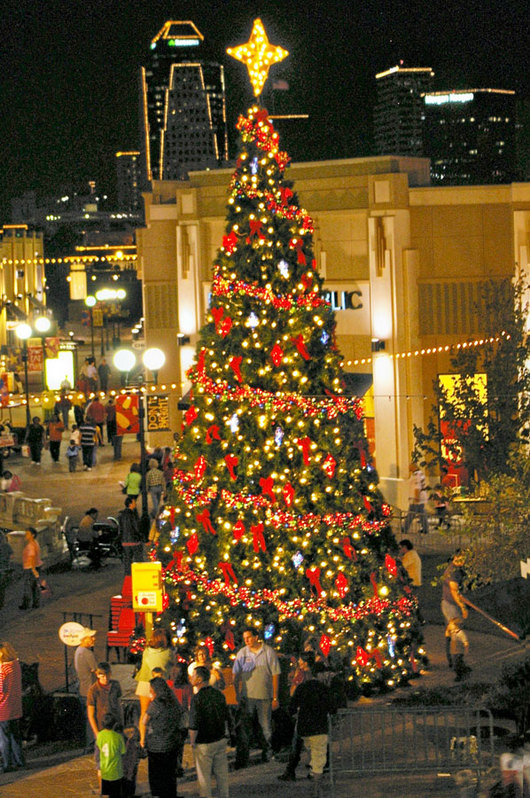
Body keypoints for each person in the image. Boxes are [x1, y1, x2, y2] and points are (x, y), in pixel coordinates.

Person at [232, 627, 281, 768]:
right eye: (244, 638)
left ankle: (268, 752)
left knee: (265, 726)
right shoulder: (242, 653)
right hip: (247, 697)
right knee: (244, 727)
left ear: (256, 637)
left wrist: (275, 697)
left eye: (249, 637)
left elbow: (275, 674)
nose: (246, 640)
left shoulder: (268, 652)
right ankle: (243, 758)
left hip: (264, 696)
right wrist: (237, 693)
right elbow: (236, 674)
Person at [288, 651, 332, 795]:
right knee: (318, 759)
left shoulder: (301, 688)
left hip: (304, 729)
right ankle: (316, 789)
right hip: (319, 728)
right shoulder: (323, 689)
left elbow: (291, 707)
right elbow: (333, 707)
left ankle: (314, 777)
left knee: (313, 754)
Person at [189, 665, 230, 798]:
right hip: (219, 738)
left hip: (204, 741)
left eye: (194, 676)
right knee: (222, 774)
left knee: (204, 778)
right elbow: (226, 716)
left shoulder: (197, 698)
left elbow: (194, 723)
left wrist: (192, 742)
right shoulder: (218, 694)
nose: (191, 678)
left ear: (199, 679)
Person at [139, 676, 183, 798]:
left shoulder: (156, 704)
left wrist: (144, 736)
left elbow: (144, 721)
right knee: (170, 776)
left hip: (156, 747)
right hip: (172, 744)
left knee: (157, 776)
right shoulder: (173, 702)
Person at [134, 628, 174, 717]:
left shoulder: (146, 651)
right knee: (162, 713)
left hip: (144, 683)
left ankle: (143, 731)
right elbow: (172, 667)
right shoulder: (169, 653)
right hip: (160, 685)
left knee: (144, 713)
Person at [0, 641, 25, 773]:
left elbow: (0, 690)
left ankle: (7, 764)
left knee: (4, 737)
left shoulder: (3, 669)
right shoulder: (16, 665)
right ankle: (19, 761)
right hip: (15, 706)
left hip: (3, 708)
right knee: (15, 736)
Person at [441, 551, 468, 667]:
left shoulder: (454, 569)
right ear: (455, 557)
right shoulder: (454, 572)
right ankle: (456, 662)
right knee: (455, 633)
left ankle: (453, 661)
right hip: (451, 605)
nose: (463, 562)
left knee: (451, 632)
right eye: (461, 559)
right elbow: (454, 590)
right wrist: (463, 607)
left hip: (449, 604)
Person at [87, 662, 123, 742]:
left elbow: (119, 706)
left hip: (115, 725)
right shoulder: (93, 690)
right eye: (102, 676)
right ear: (97, 675)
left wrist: (121, 722)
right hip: (101, 728)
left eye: (107, 675)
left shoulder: (116, 685)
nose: (105, 678)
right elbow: (91, 714)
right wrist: (96, 733)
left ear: (110, 673)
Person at [74, 628, 97, 750]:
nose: (93, 639)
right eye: (91, 637)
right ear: (84, 639)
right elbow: (96, 671)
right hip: (89, 689)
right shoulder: (88, 653)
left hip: (82, 689)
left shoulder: (78, 651)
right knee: (92, 717)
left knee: (88, 717)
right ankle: (92, 742)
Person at [96, 712, 126, 798]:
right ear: (114, 724)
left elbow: (98, 749)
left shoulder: (99, 735)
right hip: (116, 771)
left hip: (105, 770)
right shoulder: (118, 737)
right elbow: (123, 752)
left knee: (108, 793)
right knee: (116, 794)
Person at [19, 527, 42, 610]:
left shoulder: (30, 546)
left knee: (28, 587)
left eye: (28, 534)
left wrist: (33, 570)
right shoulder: (35, 543)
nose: (26, 535)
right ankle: (36, 603)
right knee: (35, 587)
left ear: (33, 535)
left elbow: (31, 558)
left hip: (30, 568)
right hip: (36, 566)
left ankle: (26, 604)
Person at [119, 496, 143, 576]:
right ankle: (139, 574)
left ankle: (128, 575)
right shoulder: (132, 514)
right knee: (138, 559)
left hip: (125, 541)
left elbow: (120, 528)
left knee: (127, 560)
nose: (135, 504)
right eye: (134, 502)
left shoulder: (121, 515)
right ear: (130, 504)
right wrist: (141, 536)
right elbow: (136, 527)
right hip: (134, 540)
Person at [403, 462, 429, 535]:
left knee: (411, 513)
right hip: (420, 497)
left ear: (413, 467)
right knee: (422, 514)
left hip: (417, 498)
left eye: (410, 466)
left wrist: (416, 497)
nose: (408, 468)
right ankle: (425, 528)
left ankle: (405, 528)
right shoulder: (420, 473)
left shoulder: (416, 475)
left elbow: (417, 487)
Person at [446, 617, 471, 681]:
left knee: (456, 664)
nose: (450, 626)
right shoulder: (453, 632)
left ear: (457, 625)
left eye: (452, 624)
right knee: (459, 662)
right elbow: (448, 633)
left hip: (459, 651)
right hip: (454, 651)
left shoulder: (461, 633)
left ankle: (459, 676)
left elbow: (465, 643)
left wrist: (466, 650)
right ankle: (465, 670)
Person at [0, 531, 13, 610]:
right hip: (4, 569)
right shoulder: (7, 546)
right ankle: (1, 604)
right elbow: (11, 556)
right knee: (2, 588)